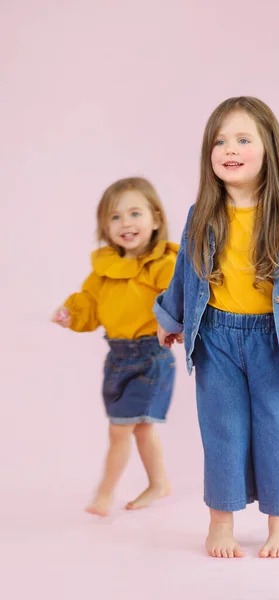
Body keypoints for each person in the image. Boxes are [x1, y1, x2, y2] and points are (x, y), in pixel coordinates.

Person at [155, 97, 279, 558]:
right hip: (216, 340)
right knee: (224, 432)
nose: (229, 148)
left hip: (277, 344)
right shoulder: (202, 213)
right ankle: (220, 524)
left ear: (268, 151)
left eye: (243, 139)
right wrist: (171, 318)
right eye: (220, 140)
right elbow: (184, 271)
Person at [52, 177, 180, 517]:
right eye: (115, 217)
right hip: (118, 358)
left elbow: (179, 299)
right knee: (140, 429)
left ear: (155, 219)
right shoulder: (104, 272)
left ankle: (104, 494)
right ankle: (159, 483)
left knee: (120, 430)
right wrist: (71, 314)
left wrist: (178, 325)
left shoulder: (162, 265)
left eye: (134, 213)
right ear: (104, 227)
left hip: (151, 359)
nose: (125, 223)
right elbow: (89, 305)